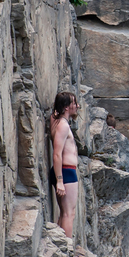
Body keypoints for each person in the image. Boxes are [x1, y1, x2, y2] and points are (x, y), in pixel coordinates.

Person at [50, 91, 81, 239]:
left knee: (64, 212)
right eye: (74, 103)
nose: (77, 106)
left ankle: (61, 246)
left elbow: (54, 114)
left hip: (64, 171)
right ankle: (67, 249)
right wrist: (60, 181)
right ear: (67, 107)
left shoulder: (57, 121)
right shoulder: (62, 125)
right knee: (69, 213)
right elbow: (57, 154)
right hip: (66, 172)